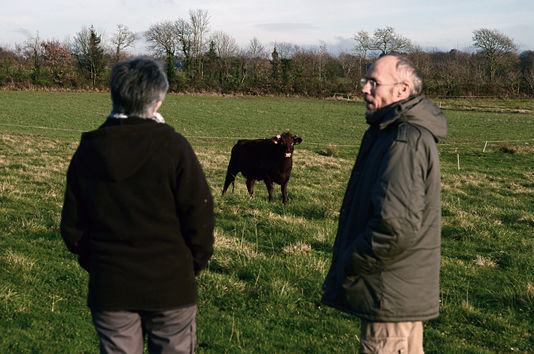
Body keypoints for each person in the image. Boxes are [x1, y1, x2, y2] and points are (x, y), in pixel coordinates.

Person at [60, 57, 214, 353]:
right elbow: (200, 218)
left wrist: (101, 264)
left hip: (111, 287)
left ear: (113, 96)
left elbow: (73, 228)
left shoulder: (88, 151)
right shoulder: (175, 148)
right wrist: (188, 266)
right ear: (158, 102)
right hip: (172, 286)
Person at [322, 55, 448, 353]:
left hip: (388, 293)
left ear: (403, 90)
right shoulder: (390, 132)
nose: (364, 89)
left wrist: (349, 264)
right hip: (392, 293)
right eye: (365, 81)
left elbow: (394, 228)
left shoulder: (404, 140)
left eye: (374, 82)